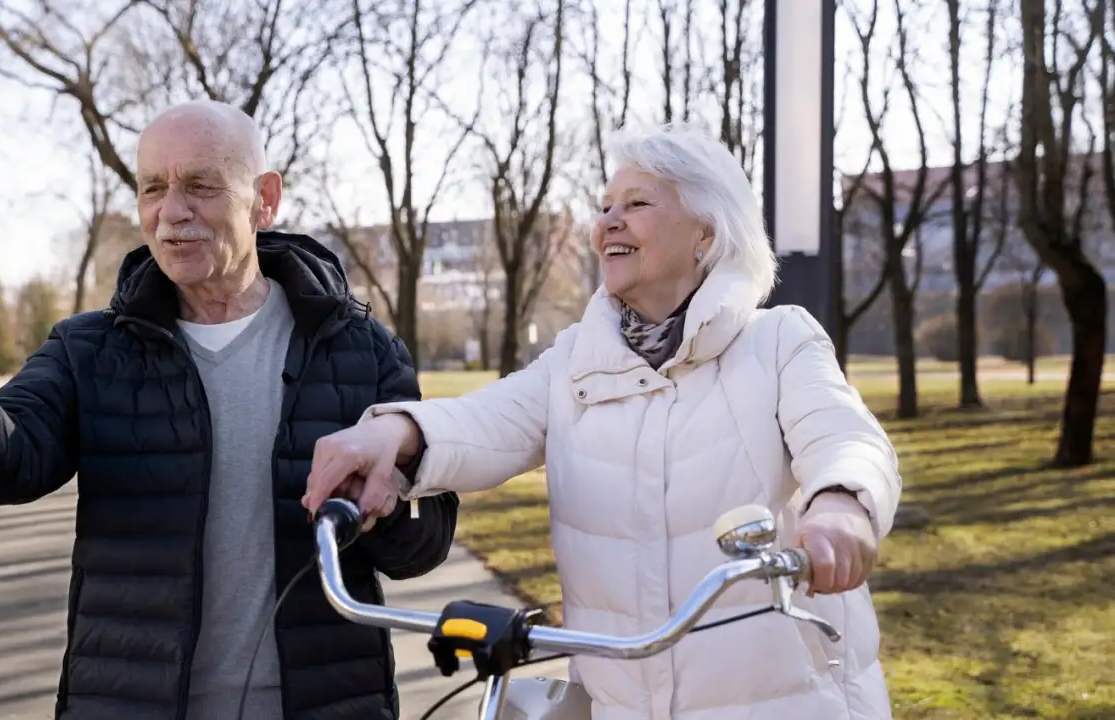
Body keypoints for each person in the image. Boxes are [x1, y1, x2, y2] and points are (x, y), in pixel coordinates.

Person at [0, 99, 460, 720]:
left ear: (264, 199)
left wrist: (379, 510)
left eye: (201, 186)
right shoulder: (89, 349)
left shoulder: (359, 347)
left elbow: (423, 544)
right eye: (152, 188)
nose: (170, 212)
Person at [304, 124, 901, 719]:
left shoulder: (776, 342)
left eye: (637, 204)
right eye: (605, 207)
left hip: (789, 703)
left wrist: (841, 505)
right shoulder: (575, 359)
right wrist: (395, 433)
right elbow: (486, 421)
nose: (608, 221)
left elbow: (843, 435)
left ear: (706, 234)